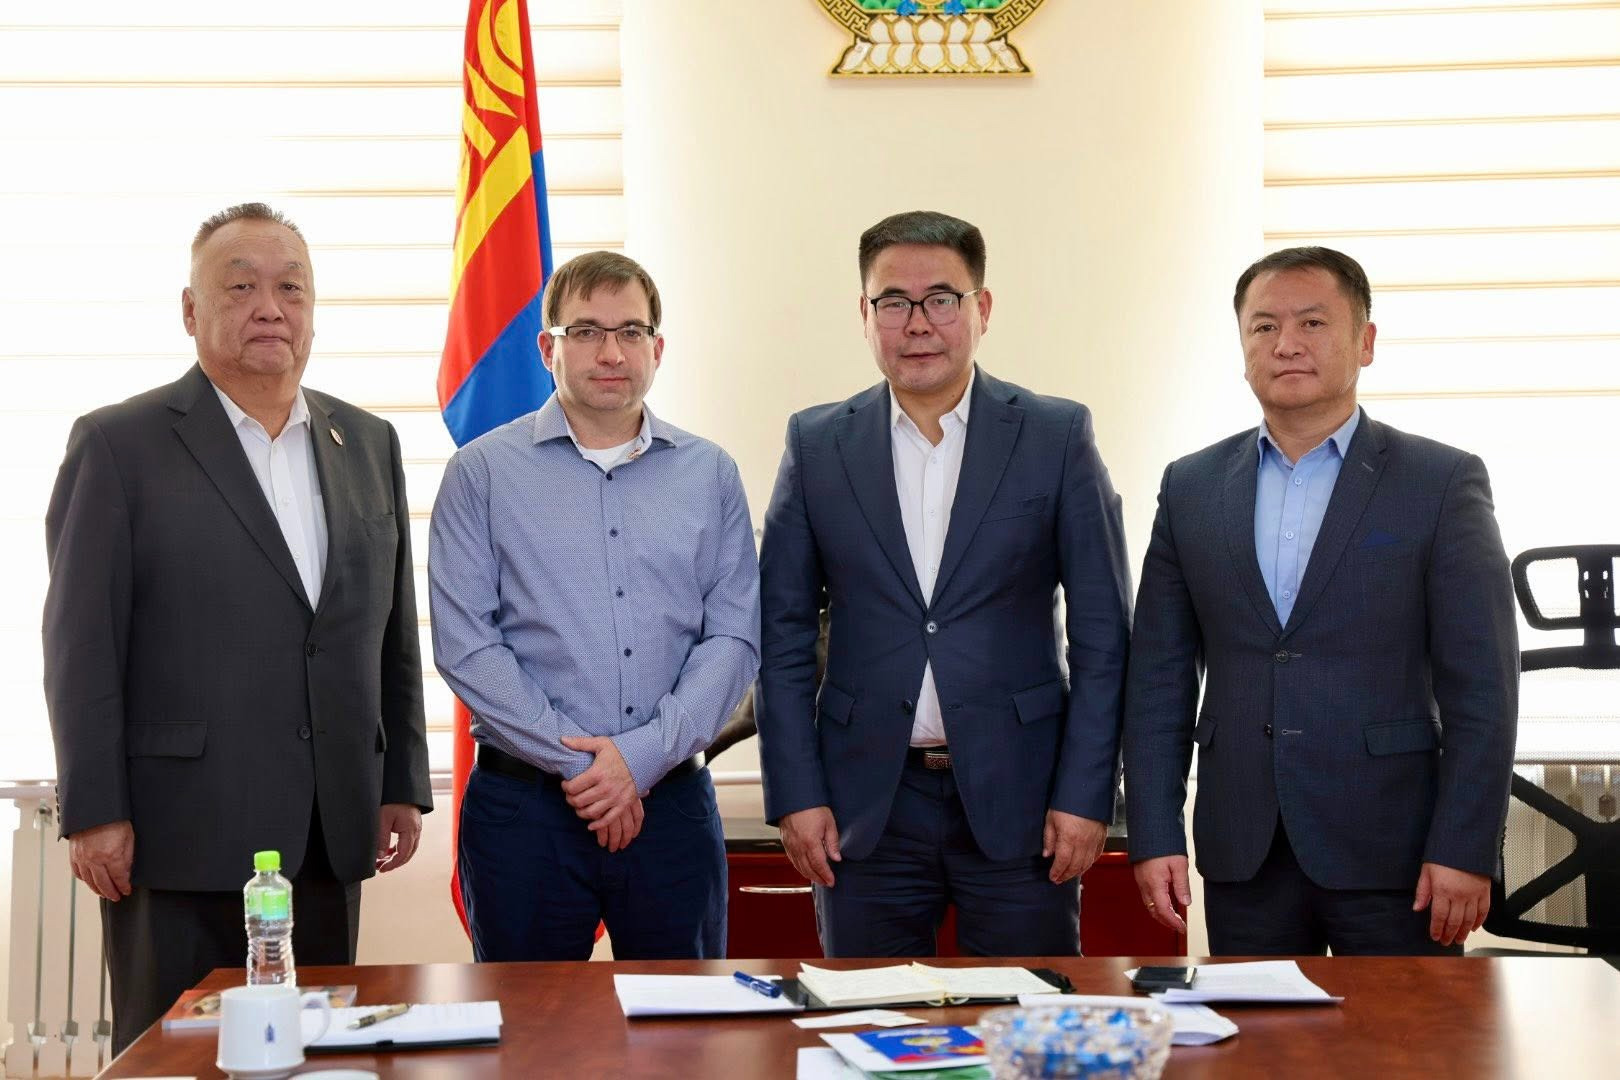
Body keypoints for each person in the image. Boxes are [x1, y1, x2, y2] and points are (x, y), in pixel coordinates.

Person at [43, 202, 433, 1052]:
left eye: (291, 288)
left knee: (318, 1052)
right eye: (241, 287)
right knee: (177, 1058)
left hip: (328, 833)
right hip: (178, 832)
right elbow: (81, 645)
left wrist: (400, 777)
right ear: (191, 311)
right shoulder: (119, 444)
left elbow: (391, 630)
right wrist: (94, 809)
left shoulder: (367, 441)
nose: (270, 308)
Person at [755, 210, 1132, 957]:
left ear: (981, 308)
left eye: (941, 299)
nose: (918, 322)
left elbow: (1103, 635)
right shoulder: (818, 443)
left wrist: (1087, 794)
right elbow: (781, 634)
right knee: (866, 1015)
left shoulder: (1056, 436)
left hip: (1025, 802)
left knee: (1025, 1015)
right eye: (894, 301)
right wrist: (796, 793)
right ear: (865, 314)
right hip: (866, 807)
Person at [1123, 246, 1519, 955]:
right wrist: (1154, 832)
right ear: (1243, 346)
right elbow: (1159, 679)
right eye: (1264, 326)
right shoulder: (1191, 487)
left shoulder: (1440, 481)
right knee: (1253, 1030)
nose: (1286, 344)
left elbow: (1483, 686)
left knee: (1404, 1032)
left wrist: (1465, 847)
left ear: (1365, 342)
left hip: (1398, 853)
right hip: (1244, 847)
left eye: (1312, 322)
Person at [429, 250, 759, 961]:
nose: (611, 353)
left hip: (672, 808)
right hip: (524, 815)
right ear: (547, 347)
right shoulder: (480, 474)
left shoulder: (711, 474)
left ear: (657, 348)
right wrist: (585, 768)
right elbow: (466, 644)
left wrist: (639, 759)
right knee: (528, 1025)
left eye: (631, 331)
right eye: (585, 331)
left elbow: (733, 638)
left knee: (685, 1022)